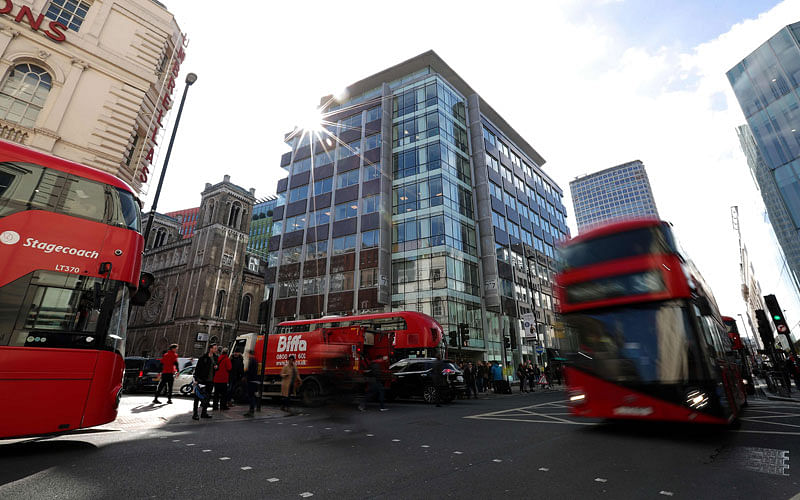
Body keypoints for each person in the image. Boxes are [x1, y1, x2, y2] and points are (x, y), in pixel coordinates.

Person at [193, 344, 218, 420]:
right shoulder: (203, 358)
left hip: (210, 381)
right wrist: (196, 380)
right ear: (210, 349)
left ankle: (204, 413)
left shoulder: (216, 357)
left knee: (207, 398)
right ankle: (195, 414)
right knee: (197, 397)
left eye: (216, 348)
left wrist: (217, 367)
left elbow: (217, 367)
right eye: (215, 348)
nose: (216, 349)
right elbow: (197, 369)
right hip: (202, 380)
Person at [243, 350, 259, 417]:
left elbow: (250, 371)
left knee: (251, 396)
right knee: (252, 395)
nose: (247, 355)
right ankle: (252, 410)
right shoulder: (255, 360)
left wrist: (246, 373)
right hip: (254, 380)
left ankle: (251, 410)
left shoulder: (252, 361)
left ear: (250, 354)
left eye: (248, 354)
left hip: (251, 380)